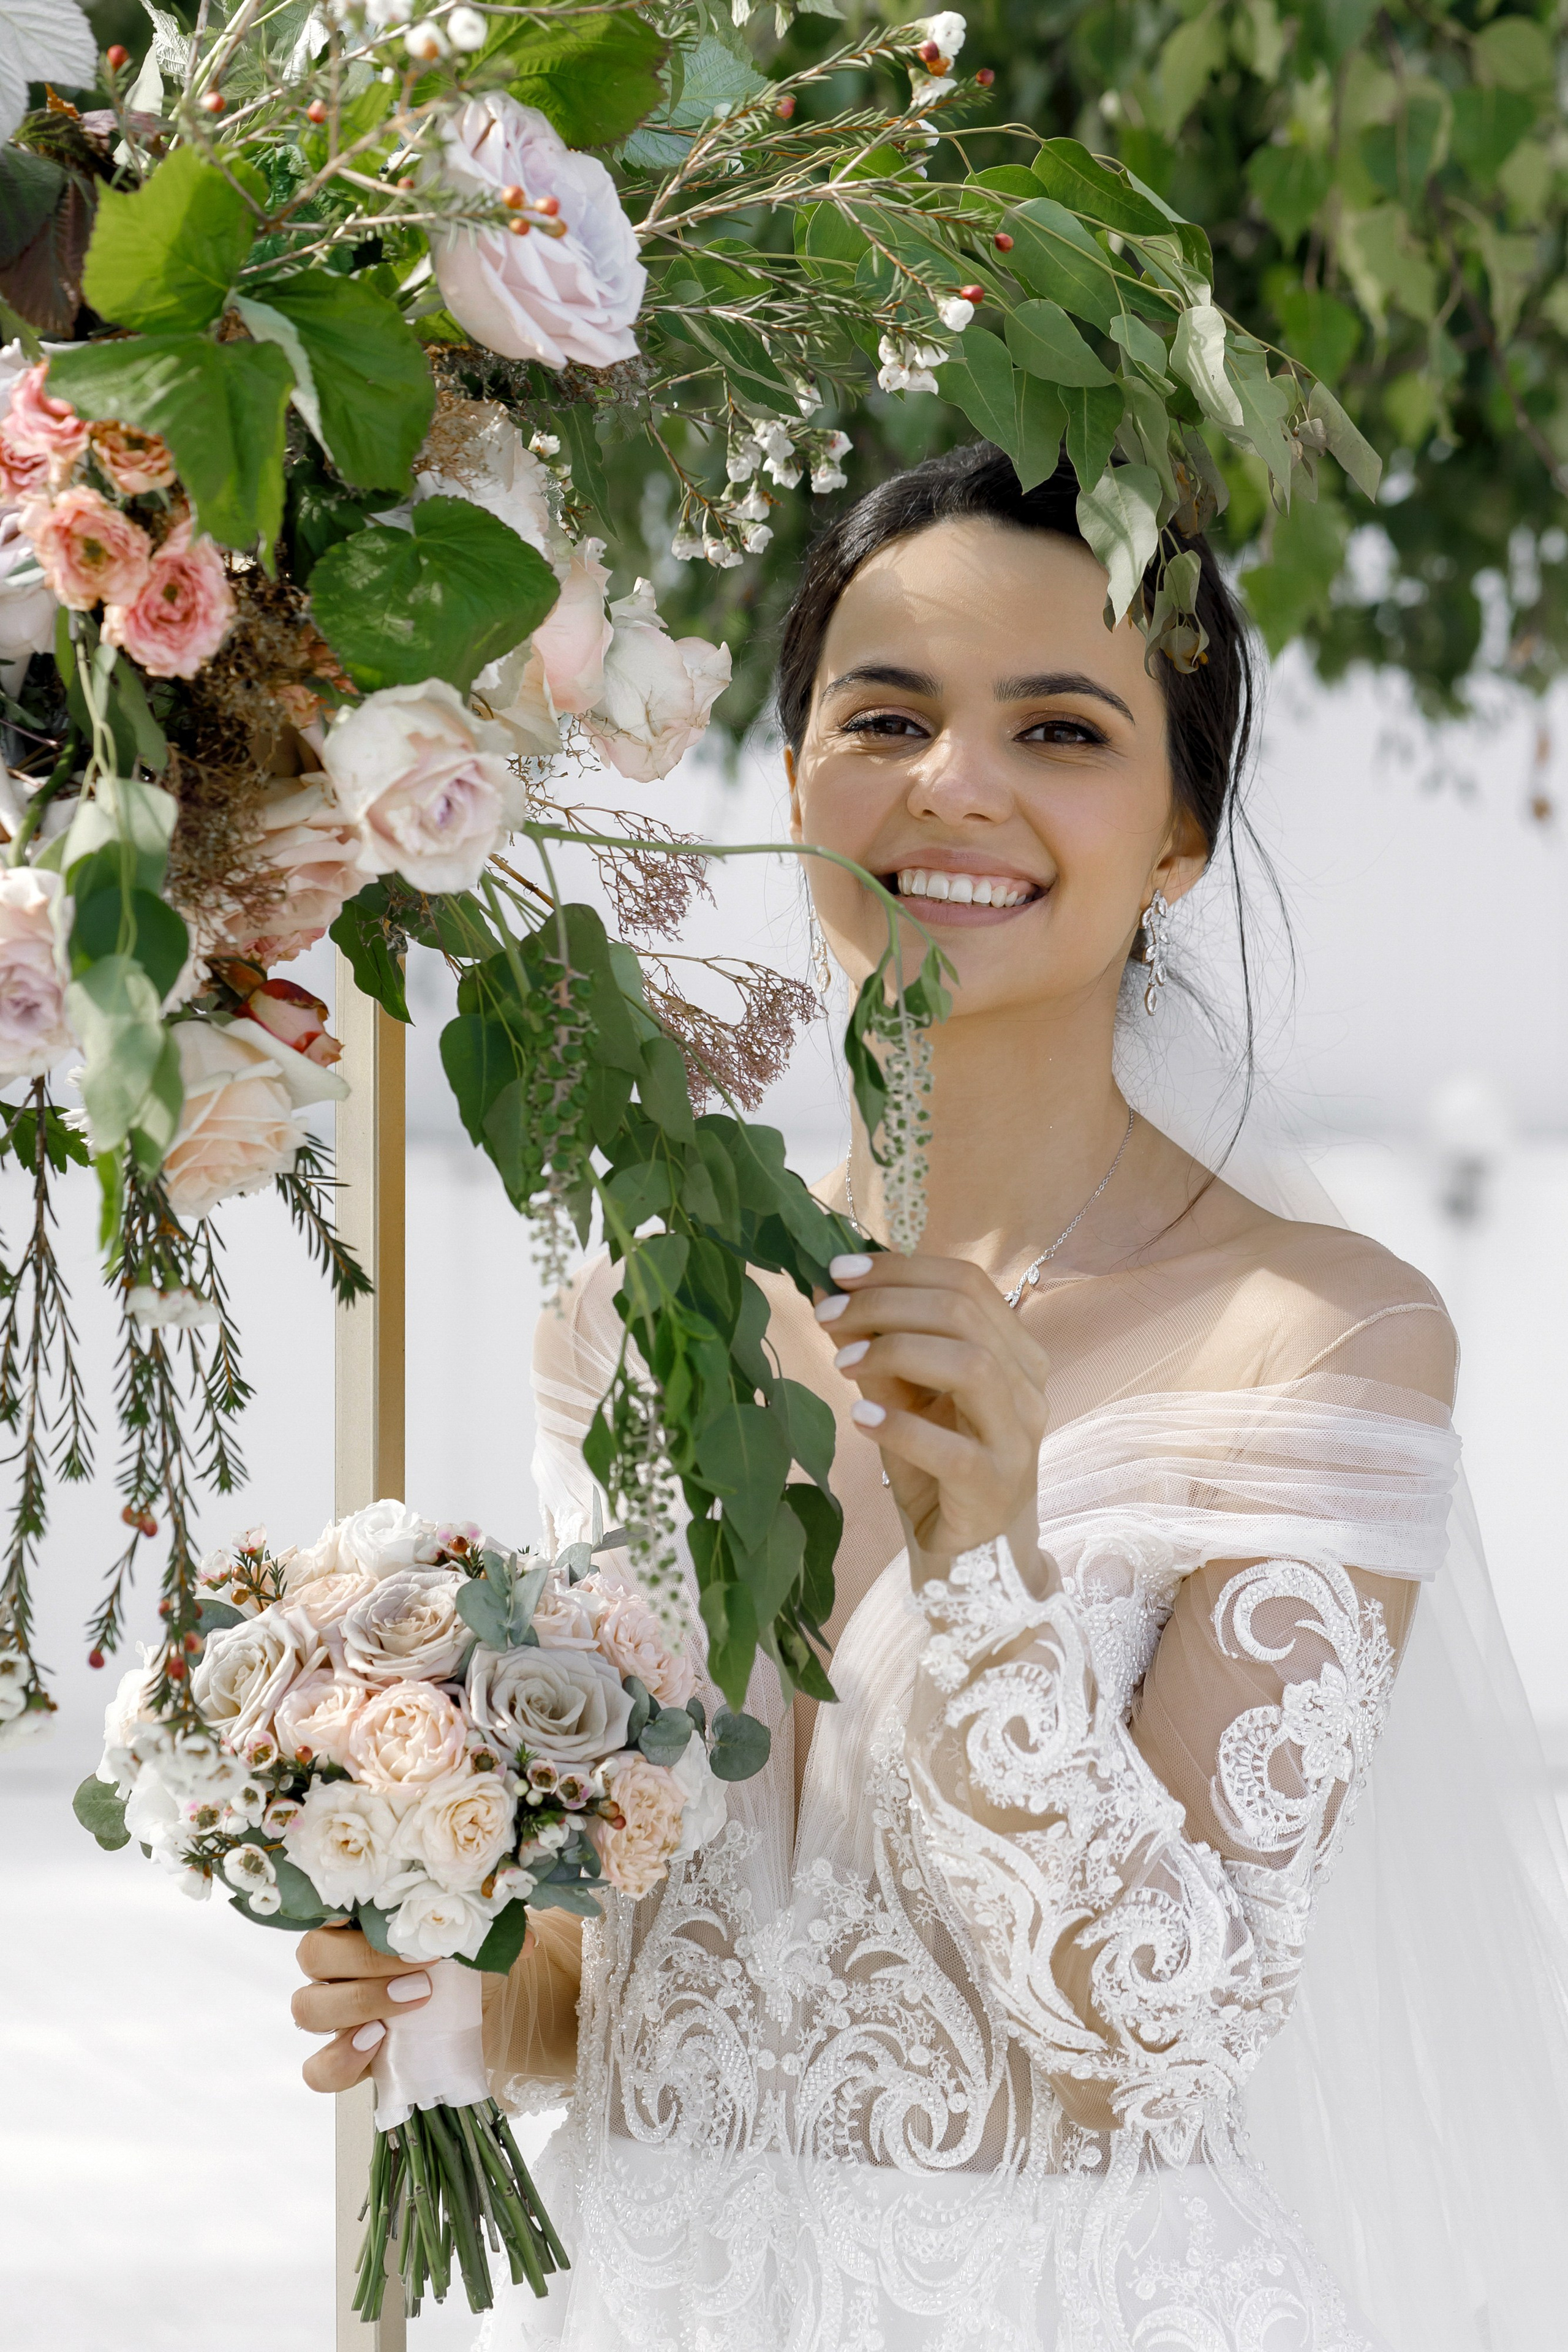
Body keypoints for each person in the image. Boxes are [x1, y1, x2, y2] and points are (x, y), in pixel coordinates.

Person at [292, 445, 1568, 2350]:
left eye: (1060, 731)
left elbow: (1164, 2037)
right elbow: (640, 1961)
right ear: (795, 781)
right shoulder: (638, 1315)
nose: (955, 783)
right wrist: (443, 1979)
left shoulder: (1314, 1340)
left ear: (1181, 835)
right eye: (885, 718)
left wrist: (988, 1573)